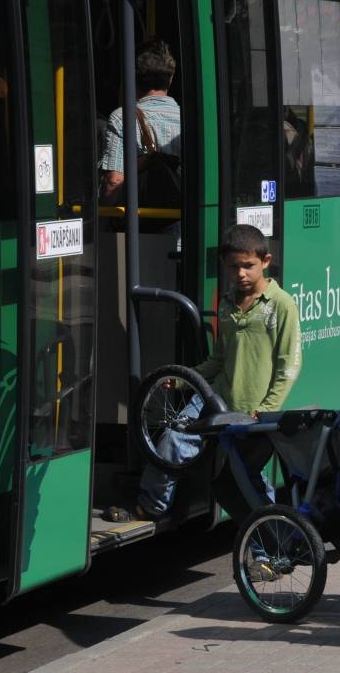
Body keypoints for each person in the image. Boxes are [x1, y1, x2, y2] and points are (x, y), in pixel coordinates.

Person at [134, 224, 302, 522]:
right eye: (233, 267)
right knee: (173, 440)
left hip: (254, 411)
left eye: (248, 266)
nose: (240, 274)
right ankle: (152, 506)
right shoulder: (227, 302)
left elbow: (289, 366)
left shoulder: (281, 305)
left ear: (265, 261)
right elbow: (218, 359)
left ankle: (268, 547)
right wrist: (188, 378)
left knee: (251, 480)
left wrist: (266, 410)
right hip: (217, 400)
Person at [99, 39, 181, 204]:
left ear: (133, 78)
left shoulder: (122, 117)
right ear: (171, 78)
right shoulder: (188, 118)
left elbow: (113, 182)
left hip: (140, 222)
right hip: (181, 221)